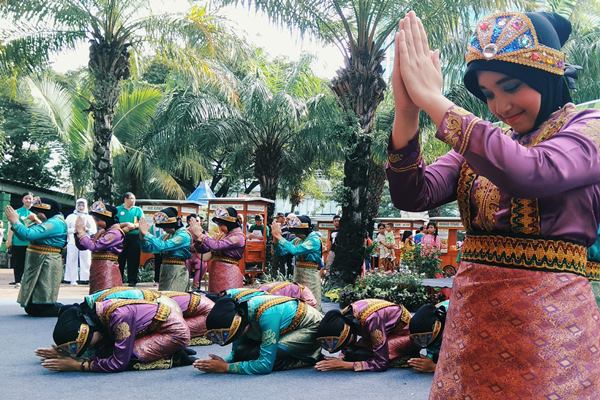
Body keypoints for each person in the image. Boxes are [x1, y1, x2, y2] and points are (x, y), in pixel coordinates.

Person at [387, 10, 600, 397]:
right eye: (488, 95)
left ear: (546, 76)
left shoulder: (588, 128)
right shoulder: (485, 143)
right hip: (472, 322)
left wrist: (435, 100)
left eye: (511, 86)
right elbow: (413, 194)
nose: (500, 106)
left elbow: (533, 173)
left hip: (550, 326)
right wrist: (408, 111)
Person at [35, 297, 193, 372]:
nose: (90, 345)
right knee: (104, 349)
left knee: (122, 356)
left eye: (85, 343)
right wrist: (65, 350)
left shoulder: (119, 318)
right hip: (147, 326)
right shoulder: (93, 311)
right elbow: (98, 340)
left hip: (173, 332)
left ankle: (175, 355)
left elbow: (118, 363)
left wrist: (78, 365)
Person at [194, 294, 322, 374]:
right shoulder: (239, 313)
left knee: (255, 355)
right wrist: (222, 361)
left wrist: (225, 367)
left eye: (225, 335)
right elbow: (236, 353)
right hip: (283, 328)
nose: (221, 340)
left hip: (311, 328)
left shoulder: (268, 315)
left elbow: (264, 365)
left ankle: (309, 358)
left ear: (238, 325)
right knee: (242, 353)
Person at [86, 287, 215, 346]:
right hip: (170, 307)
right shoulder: (105, 300)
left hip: (204, 313)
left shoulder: (115, 306)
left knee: (137, 344)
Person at [5, 197, 67, 316]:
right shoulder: (48, 221)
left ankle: (66, 310)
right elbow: (24, 235)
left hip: (47, 260)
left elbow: (29, 234)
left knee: (43, 300)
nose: (37, 214)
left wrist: (15, 221)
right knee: (32, 304)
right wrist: (18, 223)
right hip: (38, 259)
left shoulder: (55, 223)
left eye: (39, 211)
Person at [314, 298, 413, 372]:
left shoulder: (372, 320)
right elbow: (348, 341)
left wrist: (344, 365)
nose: (330, 348)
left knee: (367, 354)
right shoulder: (344, 316)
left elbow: (381, 363)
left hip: (405, 334)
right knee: (354, 352)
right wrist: (341, 357)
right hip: (384, 330)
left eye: (333, 341)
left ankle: (405, 354)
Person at [189, 207, 245, 293]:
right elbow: (206, 249)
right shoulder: (224, 235)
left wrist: (201, 234)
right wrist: (197, 238)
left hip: (229, 274)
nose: (219, 227)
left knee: (226, 300)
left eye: (221, 224)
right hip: (216, 273)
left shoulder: (238, 237)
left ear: (229, 224)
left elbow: (216, 246)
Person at [272, 215, 322, 311]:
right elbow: (282, 252)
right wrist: (276, 240)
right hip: (298, 274)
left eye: (297, 231)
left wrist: (279, 237)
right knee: (299, 300)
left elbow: (295, 250)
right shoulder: (298, 240)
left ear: (304, 230)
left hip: (310, 276)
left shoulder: (314, 240)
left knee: (311, 301)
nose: (295, 234)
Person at [75, 201, 125, 294]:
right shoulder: (102, 232)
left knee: (105, 295)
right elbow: (84, 246)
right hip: (97, 268)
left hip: (107, 269)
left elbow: (95, 247)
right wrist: (77, 233)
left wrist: (82, 233)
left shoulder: (115, 233)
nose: (96, 223)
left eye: (98, 220)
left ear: (107, 219)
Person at [140, 207, 191, 291]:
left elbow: (162, 246)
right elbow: (148, 248)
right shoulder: (166, 235)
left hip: (178, 272)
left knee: (175, 299)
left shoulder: (183, 235)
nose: (163, 229)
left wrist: (147, 234)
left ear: (172, 224)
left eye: (165, 226)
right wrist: (142, 236)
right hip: (165, 271)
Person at [406, 300, 449, 373]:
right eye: (417, 339)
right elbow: (432, 355)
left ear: (438, 327)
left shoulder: (455, 323)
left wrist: (435, 367)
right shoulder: (433, 314)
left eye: (426, 337)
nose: (423, 343)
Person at [65, 199, 96, 286]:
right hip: (72, 240)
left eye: (82, 205)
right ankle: (72, 279)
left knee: (86, 259)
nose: (81, 207)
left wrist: (86, 229)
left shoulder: (89, 217)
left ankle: (86, 278)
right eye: (79, 205)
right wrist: (74, 230)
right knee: (71, 259)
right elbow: (65, 229)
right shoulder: (70, 217)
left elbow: (94, 230)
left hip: (85, 240)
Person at [6, 192, 34, 286]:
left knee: (29, 263)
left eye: (30, 198)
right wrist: (9, 240)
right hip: (17, 242)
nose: (28, 200)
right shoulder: (16, 212)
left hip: (29, 243)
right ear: (22, 200)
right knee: (18, 262)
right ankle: (17, 280)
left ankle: (25, 281)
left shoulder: (33, 214)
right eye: (26, 198)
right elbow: (11, 227)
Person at [117, 192, 144, 287]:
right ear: (125, 199)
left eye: (134, 199)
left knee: (134, 259)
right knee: (120, 258)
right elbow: (114, 224)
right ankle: (118, 280)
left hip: (134, 237)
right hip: (121, 236)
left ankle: (132, 280)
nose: (133, 201)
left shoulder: (138, 210)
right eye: (131, 198)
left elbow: (142, 223)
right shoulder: (118, 209)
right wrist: (125, 224)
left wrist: (134, 225)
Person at [186, 214, 207, 290]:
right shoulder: (185, 231)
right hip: (187, 255)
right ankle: (185, 285)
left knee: (202, 265)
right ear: (189, 221)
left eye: (199, 221)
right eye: (196, 221)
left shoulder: (202, 231)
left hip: (198, 256)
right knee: (185, 265)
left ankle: (196, 286)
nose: (199, 223)